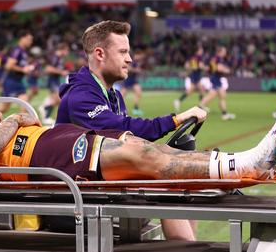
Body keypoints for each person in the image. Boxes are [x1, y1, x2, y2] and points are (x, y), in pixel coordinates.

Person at [0, 108, 276, 192]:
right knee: (137, 158)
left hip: (40, 148)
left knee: (137, 151)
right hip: (36, 158)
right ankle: (246, 164)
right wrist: (10, 121)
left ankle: (242, 166)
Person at [55, 20, 208, 240]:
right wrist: (174, 120)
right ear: (100, 54)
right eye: (123, 52)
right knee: (164, 185)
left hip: (100, 187)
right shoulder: (80, 96)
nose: (130, 59)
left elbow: (128, 139)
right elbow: (120, 128)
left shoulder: (113, 96)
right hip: (75, 200)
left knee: (184, 179)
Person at [0, 30, 34, 113]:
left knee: (24, 103)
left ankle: (22, 124)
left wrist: (26, 69)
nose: (31, 41)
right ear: (22, 38)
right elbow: (8, 66)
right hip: (11, 81)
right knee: (4, 108)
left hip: (18, 81)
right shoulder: (17, 50)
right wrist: (23, 69)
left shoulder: (23, 52)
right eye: (29, 39)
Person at [199, 46, 236, 120]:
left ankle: (224, 114)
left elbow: (210, 68)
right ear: (220, 52)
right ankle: (198, 109)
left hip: (215, 78)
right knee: (214, 96)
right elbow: (219, 68)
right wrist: (227, 70)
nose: (225, 53)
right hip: (216, 79)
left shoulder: (214, 58)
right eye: (224, 51)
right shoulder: (219, 58)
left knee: (220, 96)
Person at [39, 42, 70, 125]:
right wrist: (61, 72)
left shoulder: (59, 58)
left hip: (56, 80)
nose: (67, 53)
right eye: (67, 50)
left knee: (58, 100)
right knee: (60, 99)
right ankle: (45, 108)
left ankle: (46, 113)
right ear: (62, 49)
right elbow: (48, 69)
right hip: (52, 80)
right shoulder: (55, 57)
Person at [174, 46, 206, 112]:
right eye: (201, 49)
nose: (202, 51)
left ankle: (201, 105)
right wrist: (205, 68)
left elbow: (186, 65)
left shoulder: (192, 57)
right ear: (198, 50)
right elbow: (200, 66)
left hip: (193, 74)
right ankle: (201, 105)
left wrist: (191, 69)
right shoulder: (199, 57)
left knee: (199, 89)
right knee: (198, 89)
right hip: (196, 75)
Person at [120, 49, 144, 116]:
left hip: (133, 80)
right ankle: (120, 108)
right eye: (138, 55)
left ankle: (135, 108)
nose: (140, 57)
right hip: (127, 79)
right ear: (135, 55)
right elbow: (129, 68)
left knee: (138, 92)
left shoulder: (137, 62)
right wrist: (136, 70)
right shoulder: (131, 60)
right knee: (121, 96)